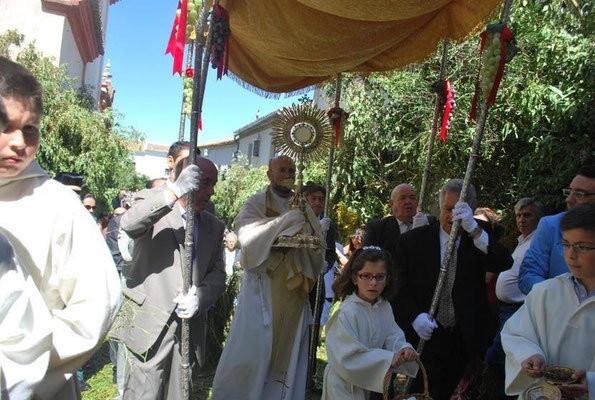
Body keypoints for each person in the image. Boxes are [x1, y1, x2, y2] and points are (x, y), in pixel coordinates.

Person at [0, 55, 121, 399]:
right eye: (4, 125)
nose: (19, 142)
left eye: (29, 129)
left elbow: (98, 304)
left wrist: (23, 365)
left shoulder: (57, 204)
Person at [113, 156, 226, 400]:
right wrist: (174, 192)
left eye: (213, 184)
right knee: (143, 393)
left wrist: (201, 296)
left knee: (180, 393)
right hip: (149, 324)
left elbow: (218, 272)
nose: (210, 191)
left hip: (189, 329)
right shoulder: (153, 203)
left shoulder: (214, 226)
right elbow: (130, 224)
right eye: (204, 182)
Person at [212, 155, 324, 399]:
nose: (287, 175)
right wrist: (284, 224)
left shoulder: (303, 207)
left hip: (294, 290)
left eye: (291, 170)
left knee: (288, 351)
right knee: (254, 350)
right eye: (281, 170)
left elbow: (318, 243)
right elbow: (246, 234)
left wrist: (304, 235)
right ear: (269, 174)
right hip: (262, 287)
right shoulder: (256, 203)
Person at [393, 179, 513, 400]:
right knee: (415, 392)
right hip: (424, 333)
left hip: (461, 337)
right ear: (440, 208)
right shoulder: (414, 241)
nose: (452, 217)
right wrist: (414, 317)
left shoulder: (477, 233)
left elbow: (504, 262)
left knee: (441, 393)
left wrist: (474, 230)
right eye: (448, 209)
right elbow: (398, 288)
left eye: (458, 210)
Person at [501, 202, 595, 400]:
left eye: (582, 247)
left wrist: (591, 384)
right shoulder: (546, 292)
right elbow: (515, 333)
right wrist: (529, 355)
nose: (571, 254)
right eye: (566, 244)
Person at [322, 247, 418, 399]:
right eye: (366, 276)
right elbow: (346, 357)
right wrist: (388, 358)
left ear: (388, 279)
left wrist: (403, 349)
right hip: (344, 386)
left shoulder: (384, 307)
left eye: (380, 277)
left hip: (366, 383)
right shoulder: (347, 312)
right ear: (354, 278)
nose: (373, 283)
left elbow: (393, 336)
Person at [484, 198, 544, 399]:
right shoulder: (521, 242)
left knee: (497, 357)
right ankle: (518, 388)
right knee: (503, 358)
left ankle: (521, 388)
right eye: (519, 215)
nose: (522, 219)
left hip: (520, 309)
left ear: (538, 218)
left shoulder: (538, 241)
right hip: (506, 310)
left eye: (527, 215)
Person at [518, 164, 595, 294]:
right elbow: (528, 275)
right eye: (569, 192)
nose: (569, 199)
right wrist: (558, 296)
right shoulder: (551, 225)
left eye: (579, 194)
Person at [363, 183, 432, 266]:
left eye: (412, 198)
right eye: (402, 198)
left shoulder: (430, 223)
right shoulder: (377, 229)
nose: (408, 201)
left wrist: (426, 231)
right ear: (391, 204)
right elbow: (369, 261)